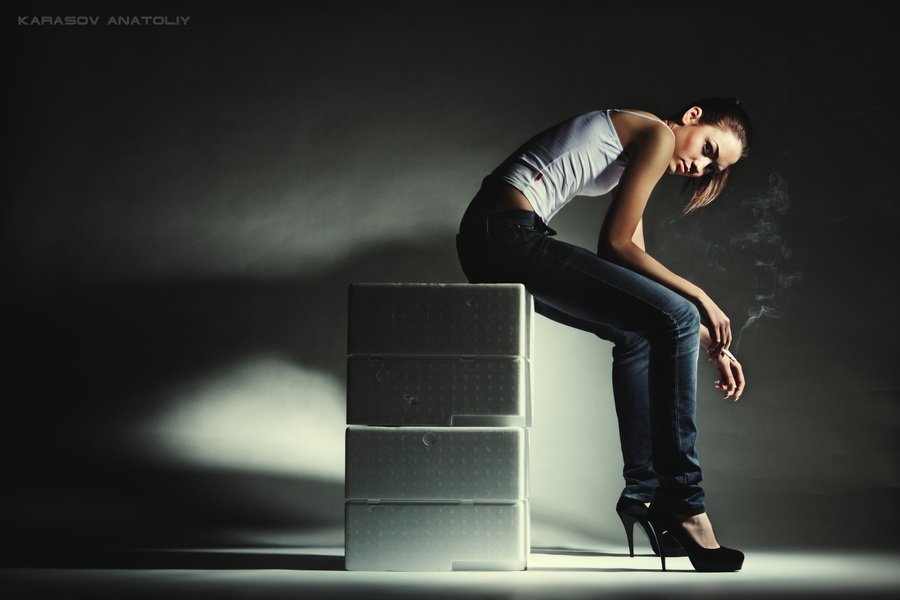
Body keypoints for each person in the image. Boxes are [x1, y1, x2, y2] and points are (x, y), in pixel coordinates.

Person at [455, 97, 751, 572]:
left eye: (711, 169)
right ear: (692, 117)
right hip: (506, 235)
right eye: (708, 150)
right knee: (671, 316)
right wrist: (702, 298)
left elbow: (636, 268)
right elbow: (613, 245)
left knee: (640, 334)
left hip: (490, 240)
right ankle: (685, 506)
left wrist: (707, 339)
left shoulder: (640, 143)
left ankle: (643, 494)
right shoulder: (656, 132)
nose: (699, 168)